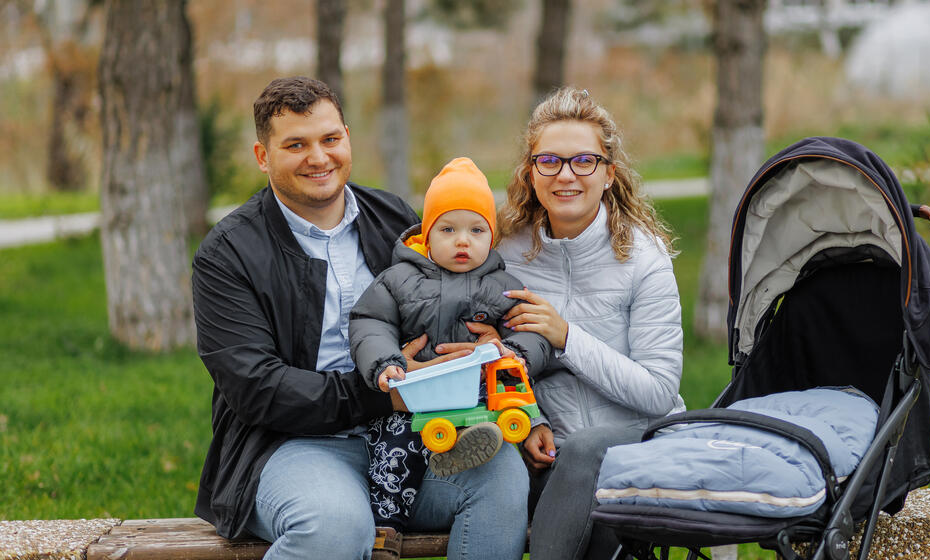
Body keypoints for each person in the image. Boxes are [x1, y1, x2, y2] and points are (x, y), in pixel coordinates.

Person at [191, 76, 529, 560]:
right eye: (295, 144)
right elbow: (255, 388)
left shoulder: (393, 219)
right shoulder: (229, 254)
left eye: (330, 139)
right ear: (263, 156)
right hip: (292, 445)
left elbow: (454, 296)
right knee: (335, 526)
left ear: (347, 136)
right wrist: (382, 393)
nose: (319, 157)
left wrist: (488, 338)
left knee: (501, 479)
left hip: (416, 436)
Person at [494, 87, 685, 560]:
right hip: (548, 454)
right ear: (530, 172)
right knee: (589, 509)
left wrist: (566, 337)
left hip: (640, 441)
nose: (566, 175)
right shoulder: (504, 255)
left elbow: (660, 393)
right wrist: (531, 418)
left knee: (587, 452)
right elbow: (499, 363)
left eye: (584, 161)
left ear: (607, 174)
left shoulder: (644, 258)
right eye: (550, 162)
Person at [349, 157, 551, 555]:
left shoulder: (503, 287)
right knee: (396, 450)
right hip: (413, 399)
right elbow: (370, 323)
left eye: (476, 230)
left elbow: (533, 334)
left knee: (507, 397)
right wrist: (384, 362)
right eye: (448, 229)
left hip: (478, 397)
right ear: (426, 234)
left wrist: (512, 351)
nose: (463, 241)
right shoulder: (399, 279)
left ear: (491, 238)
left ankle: (468, 444)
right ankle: (385, 527)